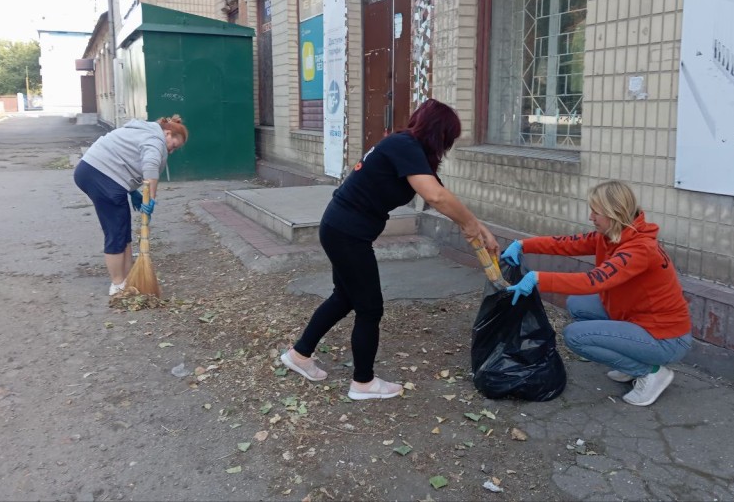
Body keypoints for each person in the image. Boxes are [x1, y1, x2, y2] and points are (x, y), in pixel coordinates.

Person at [281, 99, 500, 401]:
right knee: (370, 308)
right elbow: (435, 196)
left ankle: (300, 354)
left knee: (345, 297)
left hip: (341, 228)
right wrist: (472, 226)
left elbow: (445, 197)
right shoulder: (404, 145)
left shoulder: (411, 154)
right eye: (450, 138)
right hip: (347, 233)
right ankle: (363, 383)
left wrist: (480, 229)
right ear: (440, 133)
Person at [500, 180, 692, 407]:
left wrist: (538, 278)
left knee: (576, 336)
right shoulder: (611, 236)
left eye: (596, 212)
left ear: (614, 213)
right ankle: (631, 362)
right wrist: (522, 244)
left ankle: (650, 372)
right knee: (578, 304)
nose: (591, 217)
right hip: (638, 319)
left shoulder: (640, 249)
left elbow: (594, 281)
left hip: (665, 338)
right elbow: (566, 244)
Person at [74, 115, 188, 296]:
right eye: (173, 146)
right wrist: (150, 198)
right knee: (116, 230)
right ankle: (117, 285)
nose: (171, 151)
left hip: (94, 171)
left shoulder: (144, 132)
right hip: (100, 175)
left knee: (123, 228)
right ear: (167, 133)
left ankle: (127, 278)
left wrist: (131, 191)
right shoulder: (156, 141)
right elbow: (150, 167)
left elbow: (122, 158)